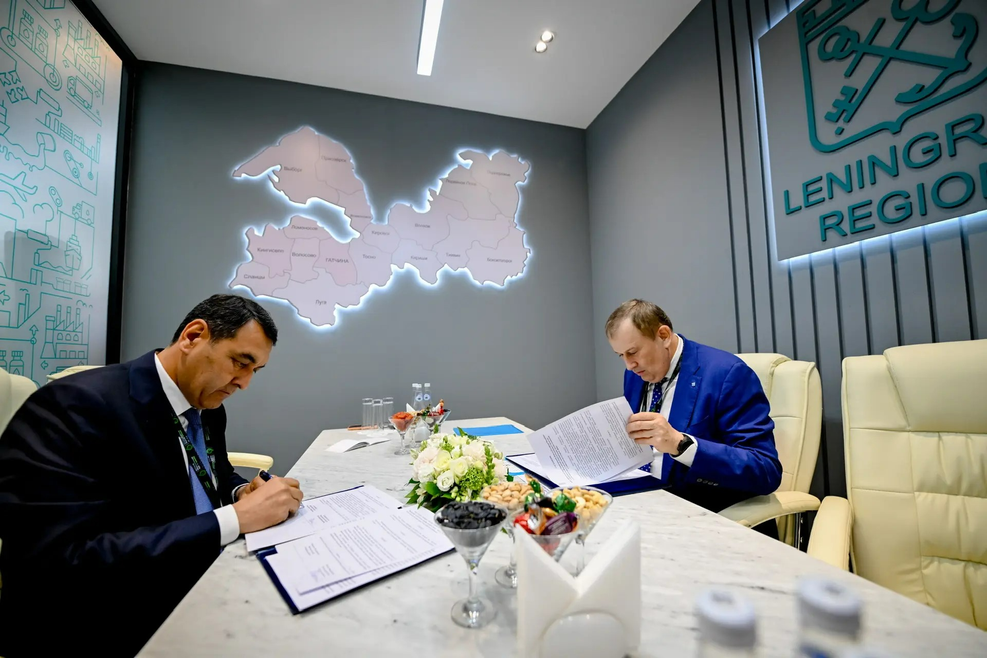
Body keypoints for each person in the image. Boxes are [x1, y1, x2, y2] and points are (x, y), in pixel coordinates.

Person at [0, 294, 304, 657]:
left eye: (255, 370)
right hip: (100, 619)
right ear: (193, 337)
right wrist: (237, 518)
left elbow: (214, 470)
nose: (245, 383)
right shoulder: (72, 406)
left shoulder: (206, 404)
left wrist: (242, 492)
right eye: (240, 363)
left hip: (200, 581)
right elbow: (59, 560)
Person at [606, 299, 782, 513]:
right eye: (621, 355)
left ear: (663, 335)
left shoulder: (727, 374)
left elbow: (765, 470)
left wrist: (680, 444)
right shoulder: (636, 375)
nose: (628, 365)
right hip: (639, 501)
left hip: (698, 510)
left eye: (633, 352)